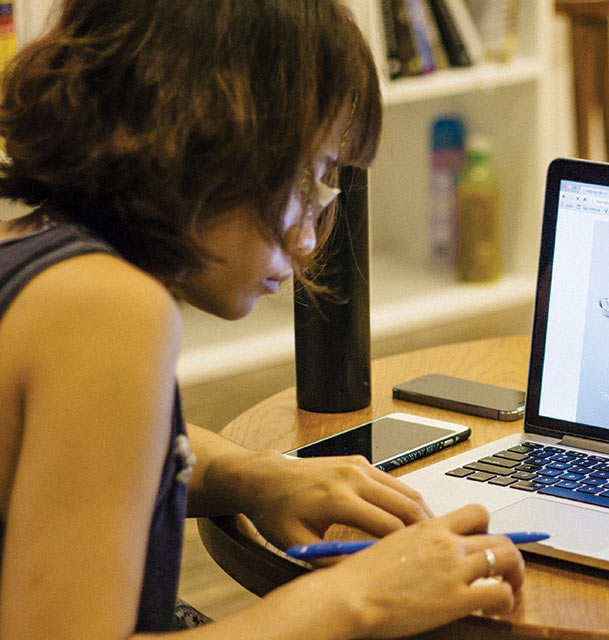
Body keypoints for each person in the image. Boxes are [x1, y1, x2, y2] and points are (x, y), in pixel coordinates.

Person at [0, 1, 523, 638]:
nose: (309, 239)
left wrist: (247, 475)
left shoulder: (31, 248)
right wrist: (358, 599)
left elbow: (70, 469)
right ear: (216, 138)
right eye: (314, 180)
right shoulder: (112, 309)